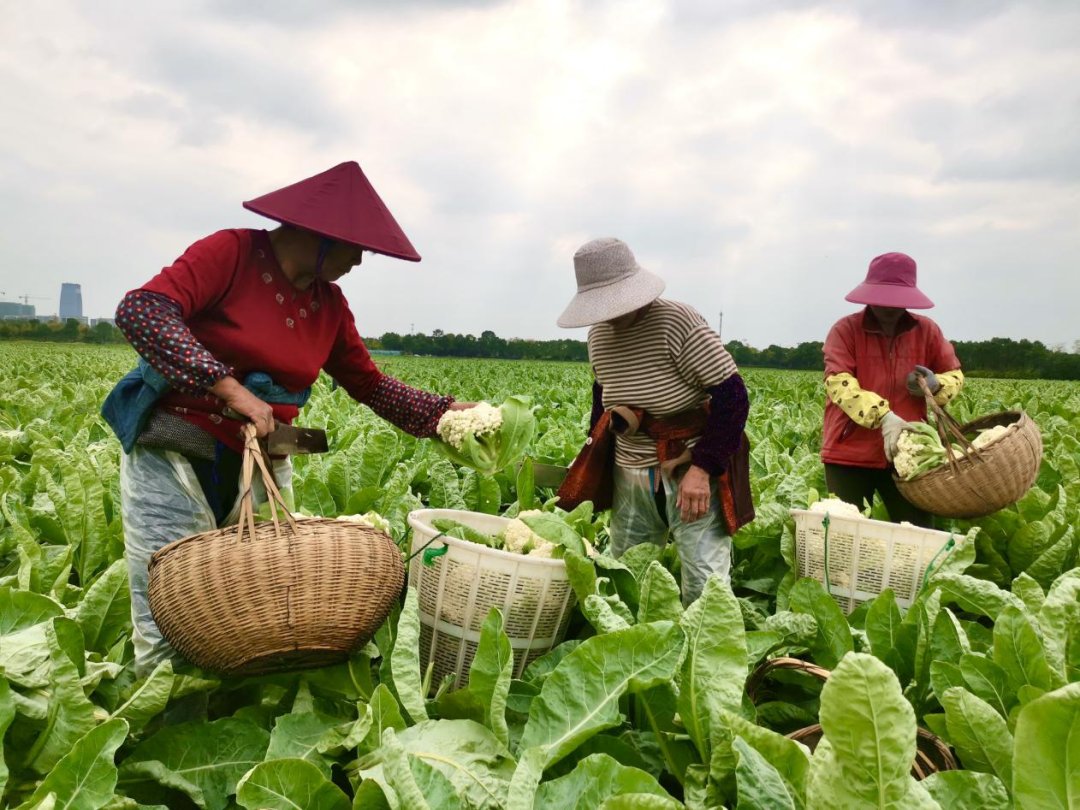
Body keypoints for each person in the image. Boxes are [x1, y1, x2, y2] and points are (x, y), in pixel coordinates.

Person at [103, 161, 474, 675]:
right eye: (356, 248)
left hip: (263, 460)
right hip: (178, 450)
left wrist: (446, 415)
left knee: (260, 599)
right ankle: (158, 726)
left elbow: (369, 384)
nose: (361, 261)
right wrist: (232, 391)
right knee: (169, 602)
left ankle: (243, 717)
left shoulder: (329, 304)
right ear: (320, 237)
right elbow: (143, 310)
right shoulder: (231, 253)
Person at [557, 237, 751, 604]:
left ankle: (707, 656)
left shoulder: (678, 322)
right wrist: (590, 452)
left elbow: (733, 398)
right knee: (627, 576)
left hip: (687, 469)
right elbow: (603, 400)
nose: (610, 312)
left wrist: (703, 467)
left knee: (704, 580)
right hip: (629, 469)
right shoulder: (597, 335)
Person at [821, 252, 964, 526]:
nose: (889, 306)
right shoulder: (845, 330)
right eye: (883, 298)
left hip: (909, 454)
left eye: (897, 300)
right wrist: (884, 417)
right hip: (849, 453)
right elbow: (839, 384)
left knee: (916, 533)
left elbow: (955, 375)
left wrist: (936, 385)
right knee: (842, 536)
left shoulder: (927, 331)